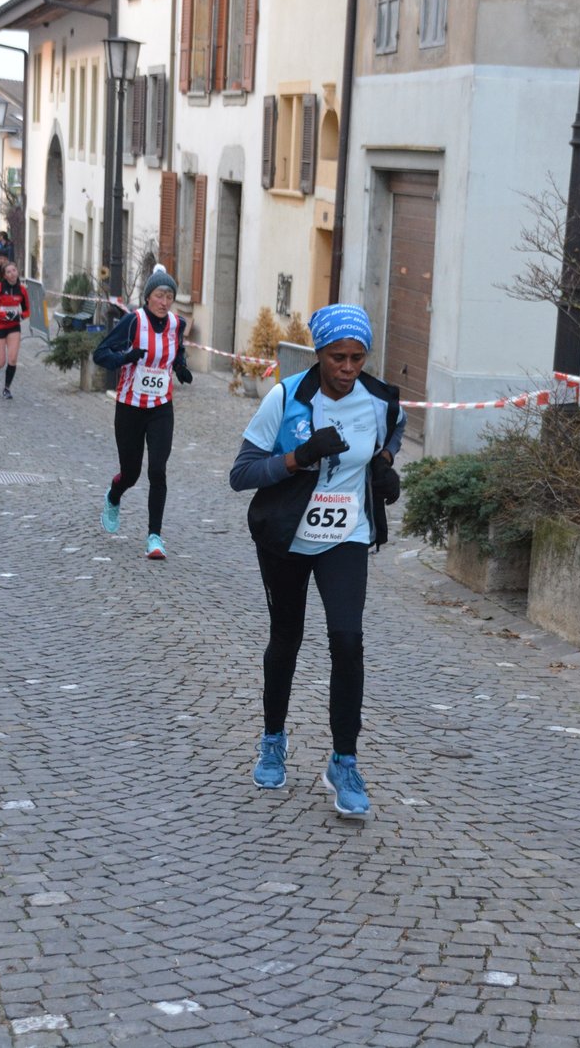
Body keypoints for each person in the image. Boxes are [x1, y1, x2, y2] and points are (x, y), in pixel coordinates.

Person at [227, 304, 405, 818]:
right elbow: (241, 474)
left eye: (357, 358)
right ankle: (273, 740)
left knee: (348, 641)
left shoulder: (379, 400)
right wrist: (297, 458)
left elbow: (394, 429)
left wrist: (383, 463)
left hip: (346, 536)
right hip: (286, 537)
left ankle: (344, 761)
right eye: (337, 358)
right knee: (286, 638)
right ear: (319, 353)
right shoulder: (286, 398)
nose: (348, 369)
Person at [92, 265, 194, 559]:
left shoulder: (176, 324)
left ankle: (154, 537)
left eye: (169, 297)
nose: (164, 302)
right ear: (148, 296)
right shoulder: (133, 322)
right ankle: (114, 495)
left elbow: (176, 350)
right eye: (159, 295)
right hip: (130, 407)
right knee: (131, 473)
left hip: (161, 407)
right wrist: (126, 357)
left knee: (158, 470)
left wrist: (180, 367)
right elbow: (101, 354)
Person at [0, 261, 30, 399]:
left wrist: (20, 316)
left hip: (13, 326)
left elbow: (27, 311)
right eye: (8, 272)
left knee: (13, 359)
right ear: (5, 276)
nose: (12, 274)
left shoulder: (22, 290)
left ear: (17, 272)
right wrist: (2, 315)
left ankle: (7, 388)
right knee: (0, 362)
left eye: (14, 270)